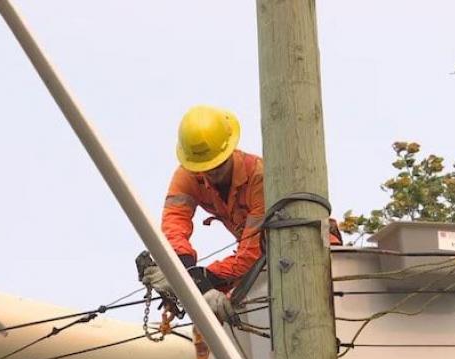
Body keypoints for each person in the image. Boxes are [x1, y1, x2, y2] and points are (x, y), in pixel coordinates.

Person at [143, 105, 341, 321]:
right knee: (211, 320)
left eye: (218, 164)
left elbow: (251, 254)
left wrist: (204, 277)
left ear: (229, 150)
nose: (211, 171)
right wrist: (184, 272)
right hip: (265, 265)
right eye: (204, 167)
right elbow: (174, 226)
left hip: (311, 255)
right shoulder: (188, 176)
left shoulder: (259, 177)